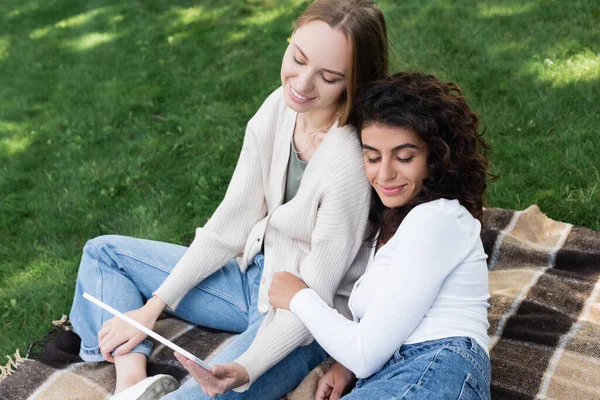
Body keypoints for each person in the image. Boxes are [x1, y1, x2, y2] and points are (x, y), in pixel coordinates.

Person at [68, 1, 389, 399]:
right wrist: (151, 309)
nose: (302, 84)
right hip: (255, 278)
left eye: (328, 77)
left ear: (355, 83)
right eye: (298, 58)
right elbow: (228, 226)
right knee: (104, 255)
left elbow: (314, 301)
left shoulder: (348, 159)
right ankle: (132, 384)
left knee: (210, 391)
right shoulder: (277, 108)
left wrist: (245, 367)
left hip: (307, 320)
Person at [269, 72, 494, 399]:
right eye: (372, 156)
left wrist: (299, 296)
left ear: (436, 157)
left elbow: (364, 353)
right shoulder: (391, 227)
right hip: (404, 373)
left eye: (404, 157)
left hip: (434, 369)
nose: (384, 173)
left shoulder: (438, 219)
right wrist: (346, 367)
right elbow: (383, 331)